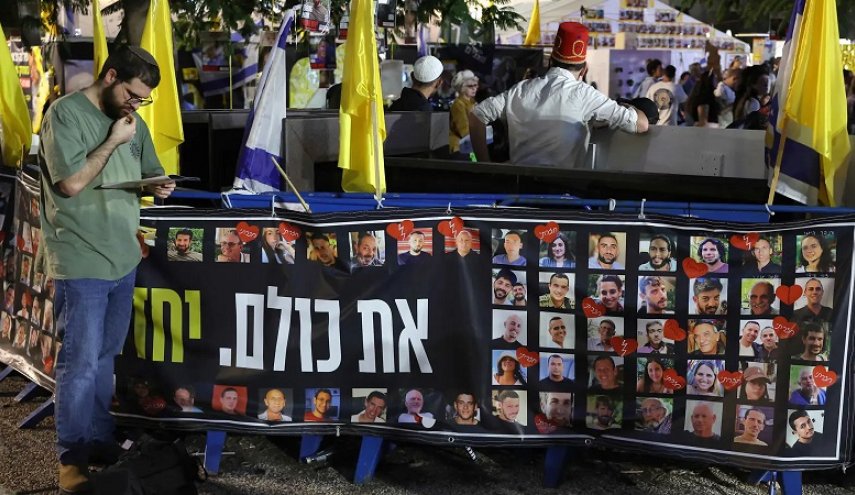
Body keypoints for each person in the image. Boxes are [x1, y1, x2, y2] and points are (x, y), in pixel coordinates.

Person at [39, 45, 176, 492]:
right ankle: (71, 456)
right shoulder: (65, 115)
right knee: (79, 362)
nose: (136, 105)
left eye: (143, 100)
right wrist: (113, 140)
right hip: (80, 255)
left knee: (103, 358)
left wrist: (160, 185)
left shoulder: (132, 120)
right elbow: (70, 183)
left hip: (123, 254)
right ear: (111, 76)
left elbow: (150, 171)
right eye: (133, 95)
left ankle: (98, 437)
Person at [469, 22, 649, 167]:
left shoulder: (520, 89)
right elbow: (640, 124)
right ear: (584, 70)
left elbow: (477, 115)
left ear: (550, 62)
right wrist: (628, 105)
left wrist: (486, 166)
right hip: (564, 194)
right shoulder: (586, 95)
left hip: (518, 190)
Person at [448, 70, 479, 158]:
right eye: (470, 86)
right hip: (460, 148)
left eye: (475, 85)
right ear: (461, 87)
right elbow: (464, 130)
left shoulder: (473, 102)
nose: (474, 88)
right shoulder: (458, 104)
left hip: (470, 146)